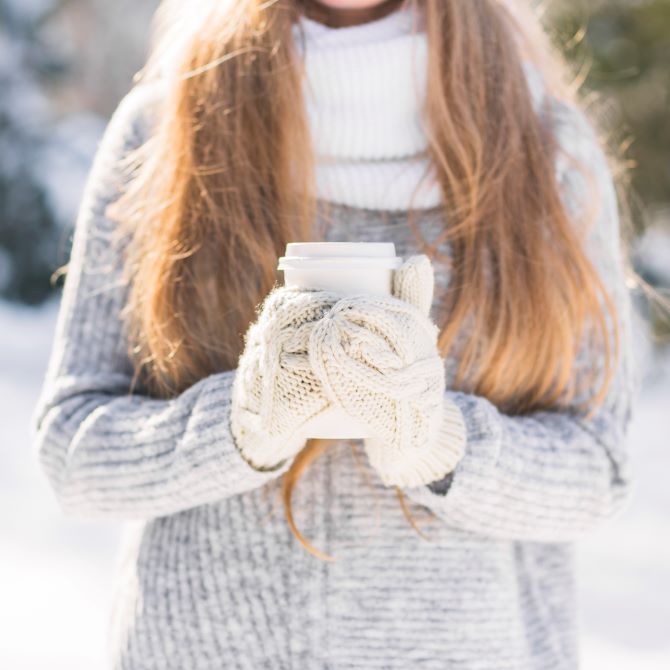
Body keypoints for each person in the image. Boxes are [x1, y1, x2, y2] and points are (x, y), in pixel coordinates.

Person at [31, 0, 640, 667]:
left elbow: (596, 470)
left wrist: (442, 445)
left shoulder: (545, 148)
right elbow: (73, 452)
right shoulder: (167, 125)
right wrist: (238, 428)